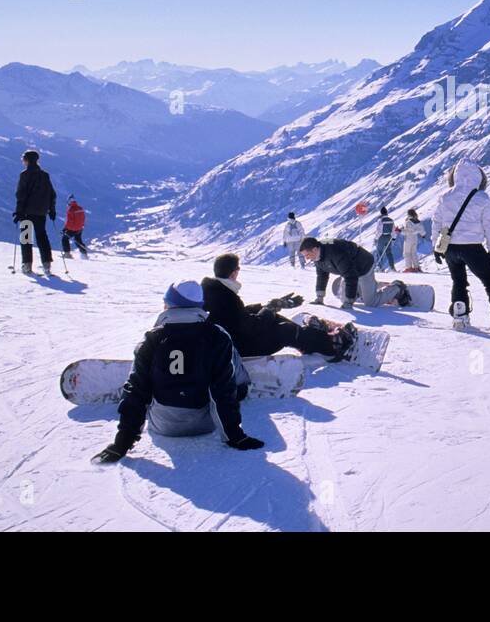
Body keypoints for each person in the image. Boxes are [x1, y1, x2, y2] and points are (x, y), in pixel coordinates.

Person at [91, 279, 264, 463]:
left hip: (163, 425)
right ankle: (243, 385)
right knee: (229, 350)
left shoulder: (152, 338)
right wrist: (235, 436)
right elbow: (222, 391)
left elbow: (137, 391)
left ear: (170, 304)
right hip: (205, 424)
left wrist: (122, 443)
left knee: (142, 376)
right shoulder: (217, 336)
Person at [201, 252, 355, 361]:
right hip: (240, 349)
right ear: (234, 273)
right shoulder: (226, 297)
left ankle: (308, 337)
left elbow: (236, 316)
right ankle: (331, 346)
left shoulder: (214, 291)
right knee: (285, 330)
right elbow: (251, 326)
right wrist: (270, 308)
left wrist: (268, 306)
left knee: (272, 318)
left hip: (230, 343)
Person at [432, 160, 490, 332]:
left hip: (451, 248)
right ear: (479, 177)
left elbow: (436, 222)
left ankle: (460, 314)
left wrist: (435, 246)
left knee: (458, 281)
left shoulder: (445, 196)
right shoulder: (482, 198)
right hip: (473, 248)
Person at [300, 236, 399, 307]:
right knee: (344, 299)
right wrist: (319, 297)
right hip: (348, 271)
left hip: (363, 266)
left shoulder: (335, 252)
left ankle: (398, 287)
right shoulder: (317, 256)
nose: (307, 258)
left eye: (307, 255)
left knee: (370, 302)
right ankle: (367, 287)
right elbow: (322, 276)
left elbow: (350, 276)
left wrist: (349, 302)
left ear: (314, 249)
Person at [13, 149, 56, 277]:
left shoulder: (24, 175)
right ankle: (47, 265)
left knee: (26, 238)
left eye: (23, 159)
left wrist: (18, 211)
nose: (22, 161)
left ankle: (27, 265)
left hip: (26, 212)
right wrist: (51, 209)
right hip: (41, 212)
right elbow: (52, 194)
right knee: (42, 237)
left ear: (27, 160)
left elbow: (21, 194)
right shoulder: (45, 175)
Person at [61, 194, 88, 259]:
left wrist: (65, 229)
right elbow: (83, 218)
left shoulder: (70, 210)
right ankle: (84, 253)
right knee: (78, 240)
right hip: (79, 228)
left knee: (65, 239)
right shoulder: (80, 208)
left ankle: (67, 254)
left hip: (72, 229)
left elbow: (69, 221)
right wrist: (81, 226)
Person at [373, 207, 397, 271]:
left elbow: (379, 231)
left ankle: (380, 267)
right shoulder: (391, 220)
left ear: (381, 213)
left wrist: (376, 239)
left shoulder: (380, 220)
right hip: (389, 237)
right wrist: (394, 238)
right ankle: (392, 267)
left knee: (380, 252)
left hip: (382, 237)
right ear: (387, 212)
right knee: (389, 252)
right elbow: (393, 230)